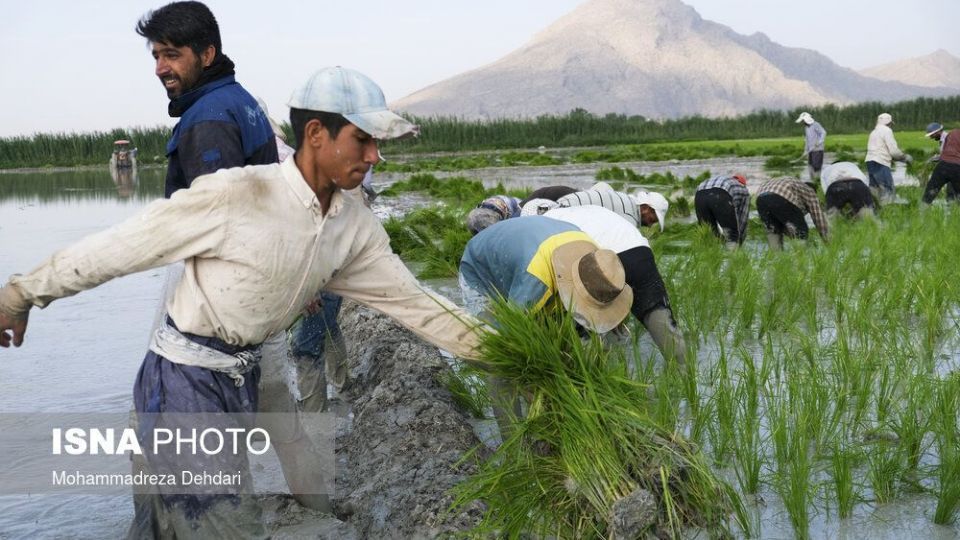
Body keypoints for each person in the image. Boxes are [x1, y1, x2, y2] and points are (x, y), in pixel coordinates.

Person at [0, 66, 484, 539]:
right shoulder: (237, 196)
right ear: (316, 133)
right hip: (180, 385)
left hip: (239, 378)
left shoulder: (352, 225)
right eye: (363, 139)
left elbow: (418, 305)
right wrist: (21, 294)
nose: (375, 155)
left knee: (163, 527)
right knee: (227, 525)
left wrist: (509, 351)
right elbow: (118, 249)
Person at [459, 216, 632, 438]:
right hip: (482, 270)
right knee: (500, 361)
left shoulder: (600, 265)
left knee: (563, 347)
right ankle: (514, 445)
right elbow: (508, 339)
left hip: (531, 253)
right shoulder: (536, 283)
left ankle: (550, 419)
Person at [140, 1, 278, 199]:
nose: (160, 69)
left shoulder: (207, 119)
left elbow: (218, 219)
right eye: (157, 57)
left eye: (171, 55)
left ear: (206, 55)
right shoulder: (238, 98)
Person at [541, 205, 685, 364]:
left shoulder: (546, 221)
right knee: (660, 317)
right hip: (639, 251)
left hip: (598, 257)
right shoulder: (586, 208)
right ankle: (685, 375)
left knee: (589, 320)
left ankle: (603, 372)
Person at [755, 177, 830, 250]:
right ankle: (801, 257)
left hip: (760, 199)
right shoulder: (810, 191)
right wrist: (827, 240)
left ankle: (777, 258)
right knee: (800, 231)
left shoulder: (795, 189)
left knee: (773, 230)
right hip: (780, 195)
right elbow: (818, 216)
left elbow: (785, 219)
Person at [865, 113, 912, 203]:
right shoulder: (887, 130)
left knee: (874, 189)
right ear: (889, 123)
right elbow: (893, 151)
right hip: (880, 162)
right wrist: (905, 157)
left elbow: (882, 150)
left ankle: (873, 210)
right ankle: (888, 210)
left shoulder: (874, 132)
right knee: (888, 189)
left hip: (870, 162)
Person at [694, 174, 750, 248]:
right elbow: (743, 217)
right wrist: (740, 239)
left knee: (709, 231)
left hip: (699, 194)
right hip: (720, 194)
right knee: (731, 234)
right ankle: (733, 257)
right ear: (743, 183)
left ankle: (710, 255)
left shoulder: (725, 179)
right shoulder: (743, 189)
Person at [921, 122, 960, 204]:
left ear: (938, 132)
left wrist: (937, 158)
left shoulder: (948, 136)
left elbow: (950, 154)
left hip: (949, 166)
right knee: (953, 193)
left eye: (932, 135)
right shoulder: (947, 137)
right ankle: (951, 210)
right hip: (953, 166)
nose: (931, 137)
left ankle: (951, 209)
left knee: (950, 192)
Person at [795, 112, 827, 183]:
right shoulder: (806, 128)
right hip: (811, 150)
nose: (802, 122)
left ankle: (818, 181)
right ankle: (812, 181)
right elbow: (807, 139)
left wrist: (819, 142)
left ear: (806, 119)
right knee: (810, 166)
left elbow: (823, 133)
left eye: (803, 121)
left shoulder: (816, 125)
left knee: (816, 167)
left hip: (818, 150)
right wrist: (805, 150)